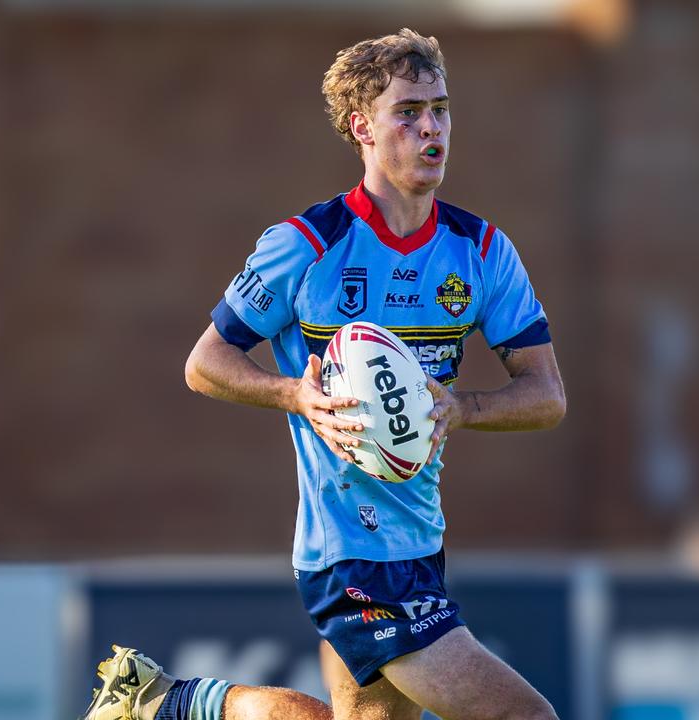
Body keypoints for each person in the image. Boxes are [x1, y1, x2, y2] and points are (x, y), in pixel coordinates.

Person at [82, 28, 565, 720]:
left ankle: (168, 703)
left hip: (419, 543)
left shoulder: (482, 251)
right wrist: (294, 395)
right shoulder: (308, 246)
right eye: (409, 112)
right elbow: (204, 363)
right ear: (362, 128)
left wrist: (463, 407)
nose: (432, 127)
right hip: (352, 551)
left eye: (441, 108)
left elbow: (546, 395)